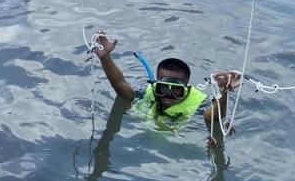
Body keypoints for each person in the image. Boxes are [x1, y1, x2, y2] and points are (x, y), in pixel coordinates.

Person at [93, 32, 242, 133]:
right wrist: (105, 58)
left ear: (187, 89)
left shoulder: (198, 103)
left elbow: (213, 116)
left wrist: (224, 91)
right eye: (163, 88)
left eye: (176, 90)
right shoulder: (147, 92)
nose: (167, 95)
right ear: (156, 84)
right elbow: (119, 84)